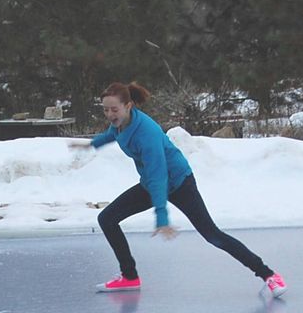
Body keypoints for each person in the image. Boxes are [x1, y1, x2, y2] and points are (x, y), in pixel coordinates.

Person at [71, 81, 286, 297]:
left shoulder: (147, 133)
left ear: (128, 106)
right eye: (106, 110)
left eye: (114, 109)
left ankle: (269, 275)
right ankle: (129, 276)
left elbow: (158, 176)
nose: (109, 114)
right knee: (107, 219)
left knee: (213, 235)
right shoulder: (121, 123)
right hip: (152, 182)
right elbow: (113, 134)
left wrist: (162, 216)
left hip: (179, 183)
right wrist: (92, 145)